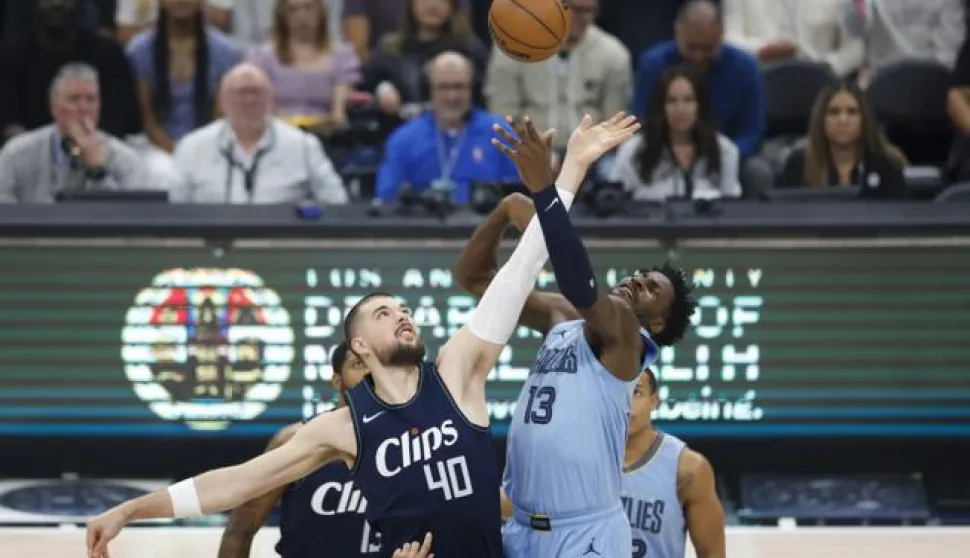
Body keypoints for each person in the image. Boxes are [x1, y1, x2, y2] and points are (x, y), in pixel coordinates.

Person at [85, 112, 639, 558]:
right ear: (359, 348)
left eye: (402, 307)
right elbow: (235, 483)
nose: (401, 314)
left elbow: (523, 266)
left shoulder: (456, 372)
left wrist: (570, 174)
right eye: (382, 312)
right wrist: (132, 510)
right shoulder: (343, 428)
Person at [458, 115, 698, 557]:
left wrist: (545, 188)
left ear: (658, 325)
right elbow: (475, 279)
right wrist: (505, 210)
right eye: (639, 275)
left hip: (584, 535)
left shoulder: (628, 338)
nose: (635, 282)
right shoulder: (562, 319)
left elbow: (581, 285)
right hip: (521, 529)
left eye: (650, 289)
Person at [217, 341, 381, 558]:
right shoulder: (294, 440)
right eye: (358, 364)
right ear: (337, 381)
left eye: (379, 364)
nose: (370, 372)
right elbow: (239, 532)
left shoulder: (412, 442)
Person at [171, 63, 349, 204]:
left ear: (271, 99)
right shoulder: (192, 147)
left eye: (256, 92)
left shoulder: (303, 145)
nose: (249, 101)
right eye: (240, 93)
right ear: (222, 101)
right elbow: (176, 212)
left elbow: (336, 202)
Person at [0, 62, 149, 203]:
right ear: (54, 107)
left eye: (91, 100)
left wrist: (97, 171)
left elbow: (127, 220)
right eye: (74, 99)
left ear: (99, 107)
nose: (84, 108)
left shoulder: (126, 160)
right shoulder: (17, 153)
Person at [623, 368, 726, 558]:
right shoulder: (576, 461)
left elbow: (712, 553)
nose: (626, 404)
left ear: (654, 401)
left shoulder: (688, 468)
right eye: (617, 392)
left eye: (636, 392)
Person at [610, 65, 741, 201]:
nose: (680, 109)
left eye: (688, 100)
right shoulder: (633, 150)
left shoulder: (725, 151)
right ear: (660, 107)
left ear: (700, 105)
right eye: (671, 101)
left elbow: (730, 206)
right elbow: (615, 200)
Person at [778, 82, 907, 198]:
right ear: (821, 119)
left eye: (852, 112)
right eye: (834, 112)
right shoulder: (798, 165)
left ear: (865, 119)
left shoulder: (888, 164)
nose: (843, 120)